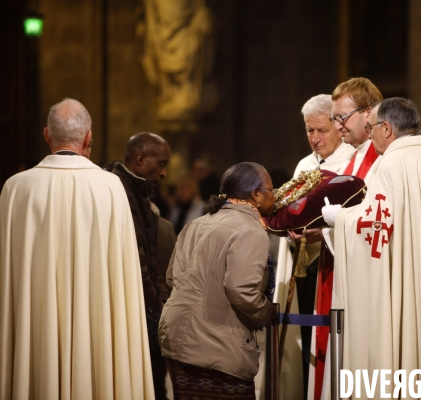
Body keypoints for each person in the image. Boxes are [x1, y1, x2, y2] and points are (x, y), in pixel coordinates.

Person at [322, 98, 421, 399]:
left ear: (387, 128)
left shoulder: (390, 165)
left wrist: (338, 218)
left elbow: (375, 227)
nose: (369, 136)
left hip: (406, 285)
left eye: (370, 128)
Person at [0, 98, 154, 399]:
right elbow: (122, 279)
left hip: (36, 333)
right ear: (87, 138)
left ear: (47, 135)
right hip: (97, 335)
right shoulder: (110, 188)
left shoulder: (16, 189)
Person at [159, 162, 278, 400]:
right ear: (255, 194)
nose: (274, 196)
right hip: (216, 347)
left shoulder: (196, 223)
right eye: (271, 190)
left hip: (176, 340)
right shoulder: (250, 230)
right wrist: (269, 312)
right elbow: (242, 290)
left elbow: (172, 278)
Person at [271, 94, 355, 400]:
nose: (315, 139)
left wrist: (326, 231)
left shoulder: (351, 161)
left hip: (333, 264)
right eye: (310, 131)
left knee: (327, 339)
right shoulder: (304, 164)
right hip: (301, 261)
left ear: (336, 126)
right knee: (301, 334)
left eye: (321, 130)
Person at [105, 132, 176, 400]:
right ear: (140, 158)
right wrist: (156, 306)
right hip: (131, 305)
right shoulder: (118, 190)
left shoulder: (135, 190)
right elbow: (138, 255)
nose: (165, 173)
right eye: (160, 164)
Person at [331, 77, 383, 185]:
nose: (337, 127)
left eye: (342, 117)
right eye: (335, 119)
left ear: (368, 113)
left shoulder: (384, 155)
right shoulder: (350, 159)